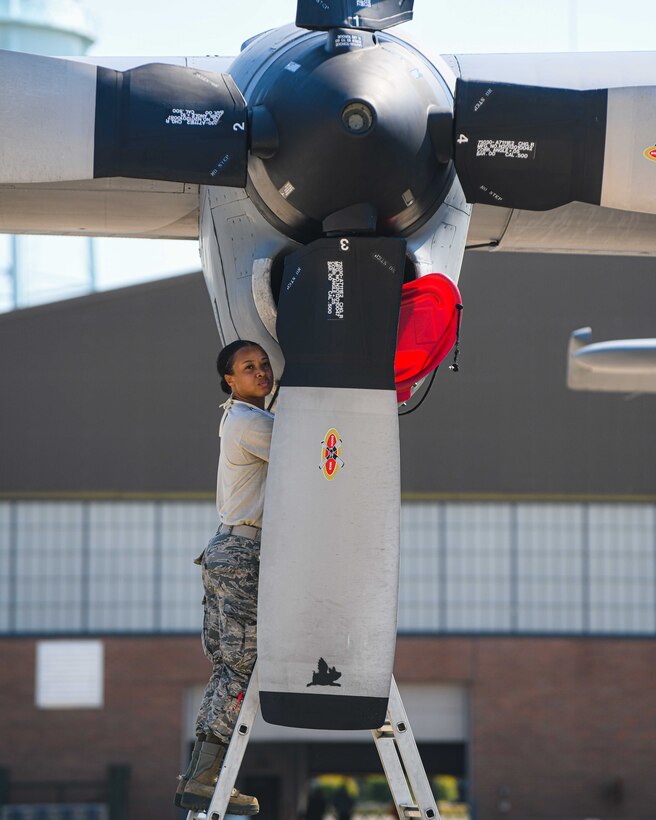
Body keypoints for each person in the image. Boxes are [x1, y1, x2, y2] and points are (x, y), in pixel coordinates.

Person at [176, 339, 275, 814]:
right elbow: (314, 459)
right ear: (229, 382)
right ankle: (206, 777)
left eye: (263, 364)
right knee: (244, 665)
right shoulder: (252, 422)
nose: (261, 372)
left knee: (227, 668)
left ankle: (201, 776)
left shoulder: (242, 419)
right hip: (242, 551)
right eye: (248, 367)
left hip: (224, 547)